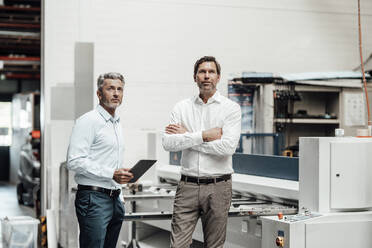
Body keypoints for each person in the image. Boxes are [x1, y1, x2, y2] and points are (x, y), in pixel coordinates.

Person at [162, 56, 241, 248]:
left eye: (211, 72)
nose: (207, 76)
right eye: (202, 72)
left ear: (218, 77)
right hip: (187, 186)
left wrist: (188, 137)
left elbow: (228, 147)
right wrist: (204, 135)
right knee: (178, 245)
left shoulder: (231, 109)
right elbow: (168, 143)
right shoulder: (182, 108)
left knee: (214, 246)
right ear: (195, 77)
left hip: (219, 187)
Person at [67, 72, 134, 248]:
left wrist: (119, 184)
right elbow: (74, 160)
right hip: (93, 199)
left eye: (119, 89)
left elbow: (108, 161)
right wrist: (111, 173)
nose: (116, 93)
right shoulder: (88, 121)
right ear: (99, 93)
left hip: (114, 198)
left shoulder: (116, 123)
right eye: (110, 88)